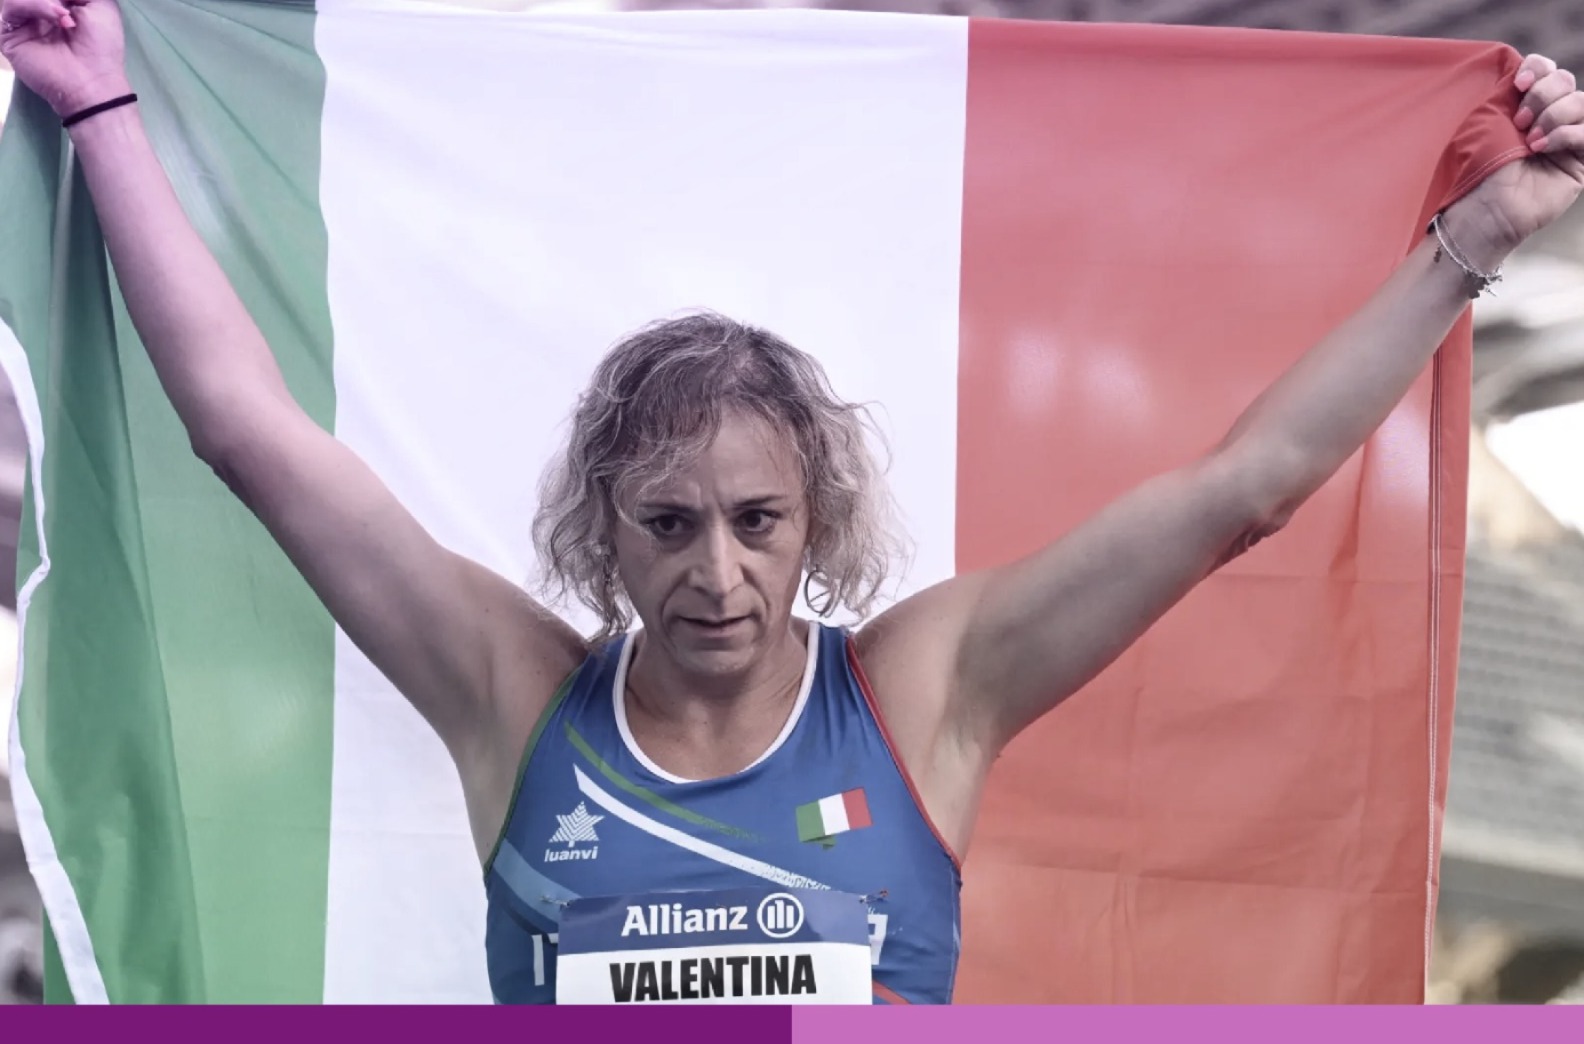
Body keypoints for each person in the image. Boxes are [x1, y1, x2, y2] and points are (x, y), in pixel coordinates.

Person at [3, 0, 1583, 1006]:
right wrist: (102, 116)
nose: (716, 572)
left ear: (813, 522)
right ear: (599, 532)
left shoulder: (924, 689)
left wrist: (1483, 234)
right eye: (669, 522)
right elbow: (249, 435)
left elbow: (1244, 490)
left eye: (757, 522)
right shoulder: (513, 693)